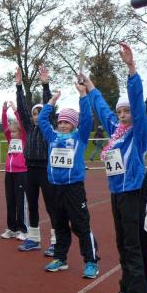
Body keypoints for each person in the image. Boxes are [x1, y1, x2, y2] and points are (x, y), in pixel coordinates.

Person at [91, 42, 147, 293]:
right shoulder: (116, 132)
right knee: (122, 244)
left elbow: (138, 107)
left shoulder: (139, 133)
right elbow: (103, 109)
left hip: (133, 193)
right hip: (117, 193)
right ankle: (127, 291)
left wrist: (131, 69)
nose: (123, 116)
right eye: (120, 113)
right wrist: (90, 87)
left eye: (126, 112)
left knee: (133, 246)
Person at [38, 80, 99, 279]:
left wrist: (83, 95)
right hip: (55, 187)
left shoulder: (80, 137)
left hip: (74, 188)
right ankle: (60, 258)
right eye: (61, 122)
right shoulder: (52, 136)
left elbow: (87, 119)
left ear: (74, 124)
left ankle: (91, 261)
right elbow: (42, 120)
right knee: (59, 224)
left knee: (81, 225)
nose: (63, 125)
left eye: (67, 122)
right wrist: (51, 102)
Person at [16, 66, 57, 254]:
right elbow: (22, 109)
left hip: (46, 170)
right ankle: (33, 239)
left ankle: (56, 241)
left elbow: (49, 108)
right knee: (32, 205)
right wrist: (19, 87)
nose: (37, 116)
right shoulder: (28, 127)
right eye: (34, 113)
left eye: (40, 113)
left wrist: (45, 85)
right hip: (30, 170)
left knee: (51, 206)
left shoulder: (49, 127)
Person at [1, 100, 28, 240]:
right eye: (10, 132)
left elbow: (22, 125)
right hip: (9, 173)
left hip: (21, 173)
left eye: (14, 132)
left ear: (20, 132)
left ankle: (23, 229)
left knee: (20, 201)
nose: (11, 134)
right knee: (10, 200)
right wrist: (4, 111)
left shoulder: (24, 139)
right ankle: (12, 228)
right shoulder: (10, 140)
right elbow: (5, 126)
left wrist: (16, 111)